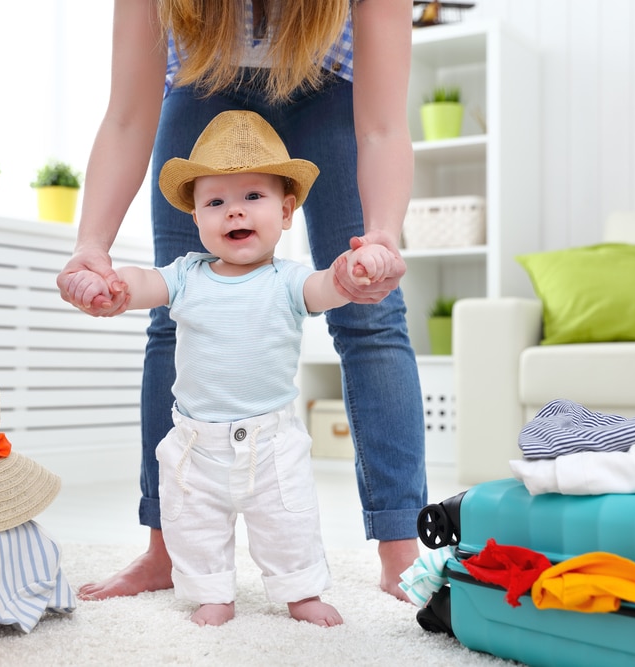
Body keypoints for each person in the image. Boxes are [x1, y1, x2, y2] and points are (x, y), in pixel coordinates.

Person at [57, 0, 426, 603]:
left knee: (371, 311)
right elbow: (127, 117)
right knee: (173, 318)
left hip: (326, 87)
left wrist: (381, 235)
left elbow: (383, 126)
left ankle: (401, 553)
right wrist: (90, 246)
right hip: (202, 85)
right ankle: (165, 552)